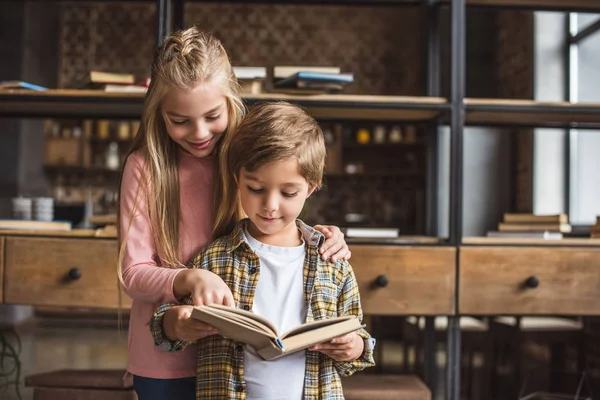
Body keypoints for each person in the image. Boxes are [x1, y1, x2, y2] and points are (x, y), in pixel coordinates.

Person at [117, 28, 353, 400]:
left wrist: (320, 236)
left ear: (231, 100)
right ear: (157, 112)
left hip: (242, 362)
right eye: (179, 120)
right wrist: (189, 279)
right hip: (165, 361)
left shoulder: (245, 153)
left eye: (213, 115)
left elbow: (275, 218)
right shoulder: (145, 167)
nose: (199, 132)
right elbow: (132, 273)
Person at [150, 102, 376, 399]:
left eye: (288, 193)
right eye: (255, 189)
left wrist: (353, 347)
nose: (270, 205)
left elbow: (358, 338)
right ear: (237, 180)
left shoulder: (332, 262)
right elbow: (164, 327)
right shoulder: (213, 260)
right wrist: (176, 323)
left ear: (312, 187)